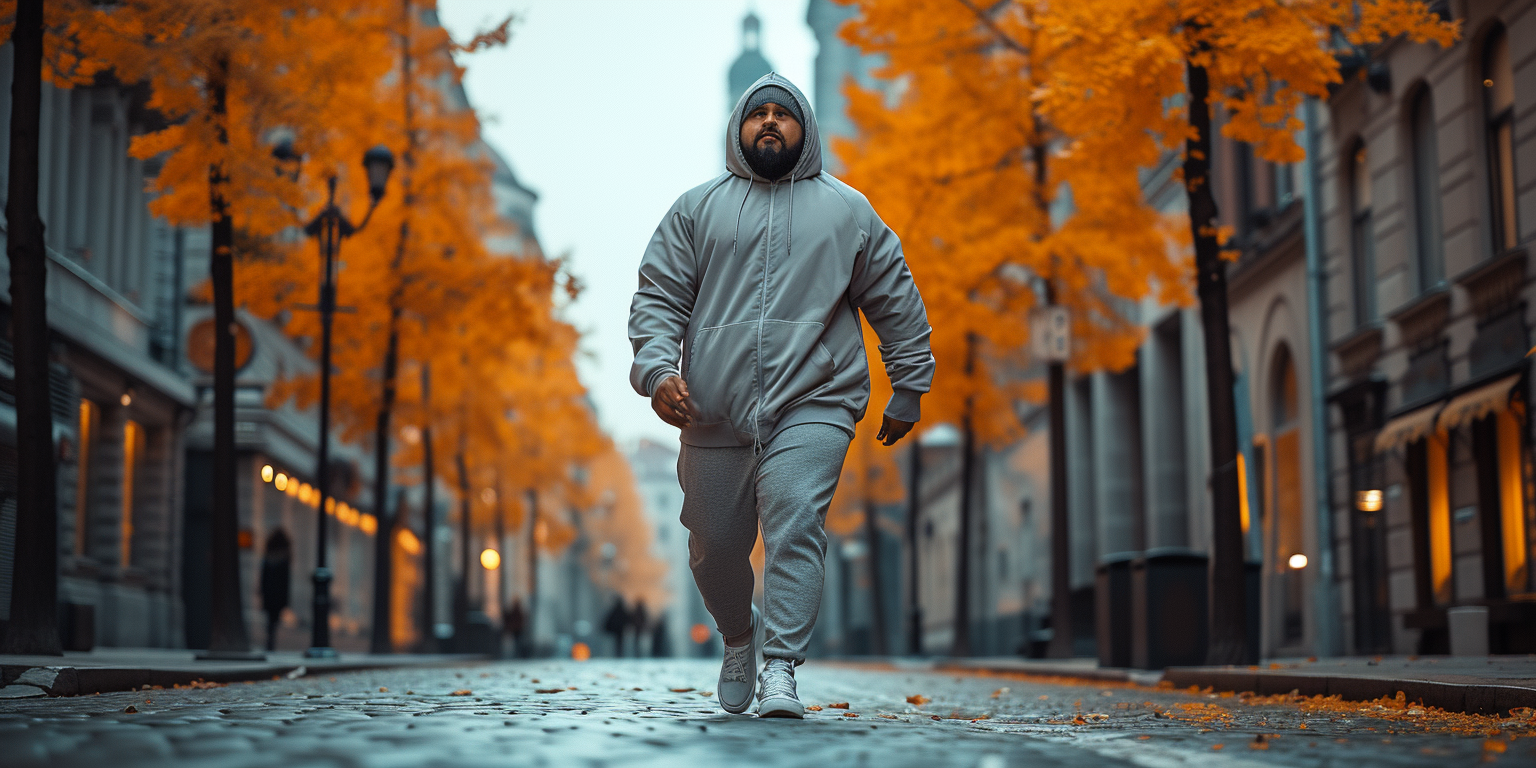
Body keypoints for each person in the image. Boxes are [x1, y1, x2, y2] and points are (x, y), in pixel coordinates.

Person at [628, 73, 933, 718]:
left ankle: (783, 669)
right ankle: (741, 638)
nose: (770, 122)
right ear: (738, 130)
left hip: (815, 397)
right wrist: (658, 373)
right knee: (713, 546)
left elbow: (895, 296)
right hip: (713, 407)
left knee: (796, 514)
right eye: (757, 114)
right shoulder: (695, 210)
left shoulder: (848, 211)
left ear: (806, 130)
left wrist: (909, 382)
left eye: (784, 114)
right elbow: (658, 298)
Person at [258, 529, 292, 652]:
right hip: (278, 596)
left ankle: (269, 641)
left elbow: (263, 578)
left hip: (269, 594)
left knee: (270, 620)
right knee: (274, 620)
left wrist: (261, 591)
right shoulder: (284, 558)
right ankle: (270, 641)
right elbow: (285, 581)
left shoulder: (268, 557)